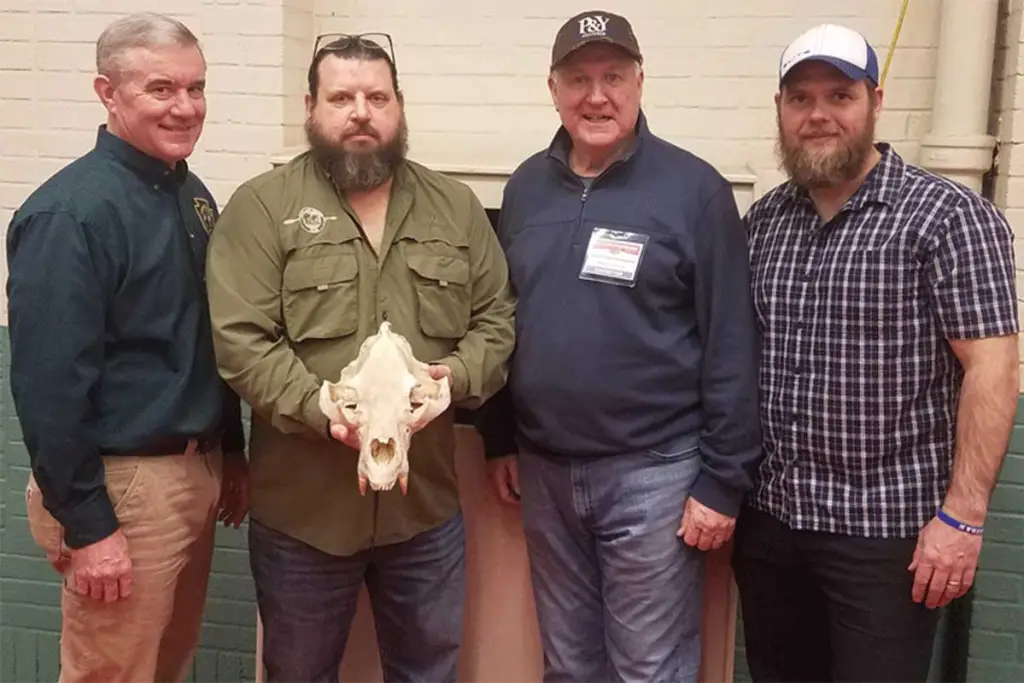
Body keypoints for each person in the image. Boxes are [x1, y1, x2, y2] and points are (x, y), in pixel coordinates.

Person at [204, 32, 516, 683]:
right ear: (310, 107)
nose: (360, 112)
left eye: (377, 96)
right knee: (299, 673)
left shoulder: (454, 208)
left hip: (424, 513)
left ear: (399, 106)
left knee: (429, 671)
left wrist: (455, 378)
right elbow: (242, 341)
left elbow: (496, 319)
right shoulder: (262, 209)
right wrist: (319, 406)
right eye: (342, 97)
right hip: (304, 520)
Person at [474, 10, 762, 682]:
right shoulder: (525, 189)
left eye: (612, 77)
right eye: (579, 78)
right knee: (569, 665)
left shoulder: (695, 191)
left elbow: (730, 342)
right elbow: (501, 319)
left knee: (648, 669)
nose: (596, 95)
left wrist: (723, 480)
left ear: (639, 83)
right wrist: (499, 436)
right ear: (552, 88)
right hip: (544, 474)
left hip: (654, 475)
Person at [734, 23, 1020, 682]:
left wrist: (963, 517)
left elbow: (993, 368)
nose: (818, 115)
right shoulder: (766, 221)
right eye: (800, 98)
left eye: (840, 95)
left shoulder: (947, 218)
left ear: (875, 101)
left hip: (886, 534)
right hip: (773, 522)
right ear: (780, 109)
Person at [5, 12, 249, 683]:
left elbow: (204, 333)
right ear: (107, 93)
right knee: (110, 672)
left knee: (166, 664)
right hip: (123, 486)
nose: (186, 106)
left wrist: (231, 449)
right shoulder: (69, 215)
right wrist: (89, 525)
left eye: (197, 88)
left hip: (194, 469)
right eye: (161, 89)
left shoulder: (189, 194)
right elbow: (49, 388)